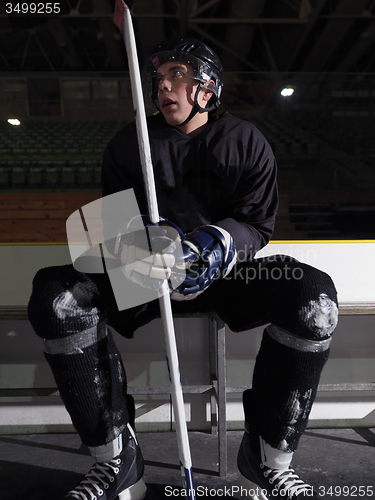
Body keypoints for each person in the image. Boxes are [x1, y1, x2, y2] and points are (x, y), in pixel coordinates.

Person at [28, 38, 339, 500]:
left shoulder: (246, 141)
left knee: (314, 299)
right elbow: (113, 228)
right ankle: (116, 461)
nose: (163, 87)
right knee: (58, 296)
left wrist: (220, 243)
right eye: (159, 79)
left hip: (226, 276)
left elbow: (257, 224)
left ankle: (268, 458)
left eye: (178, 74)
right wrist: (139, 248)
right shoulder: (128, 144)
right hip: (146, 275)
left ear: (207, 88)